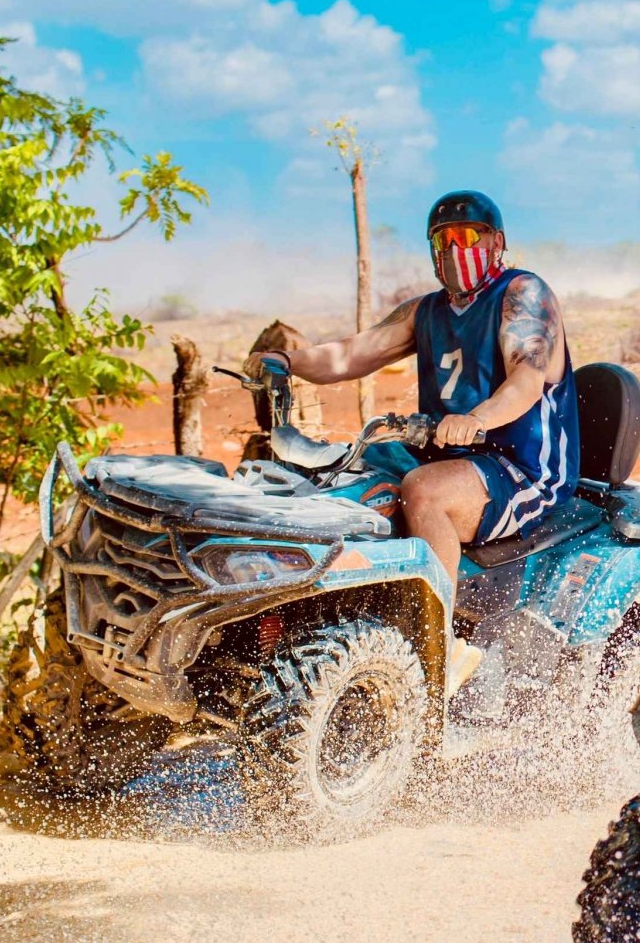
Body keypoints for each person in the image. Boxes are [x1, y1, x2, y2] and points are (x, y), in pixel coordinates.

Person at [248, 190, 580, 689]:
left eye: (469, 236)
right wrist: (287, 362)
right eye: (442, 240)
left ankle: (436, 650)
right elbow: (354, 354)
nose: (455, 249)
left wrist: (477, 418)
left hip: (523, 468)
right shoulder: (426, 311)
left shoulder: (522, 296)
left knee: (425, 490)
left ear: (498, 241)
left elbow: (526, 379)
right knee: (345, 473)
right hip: (449, 453)